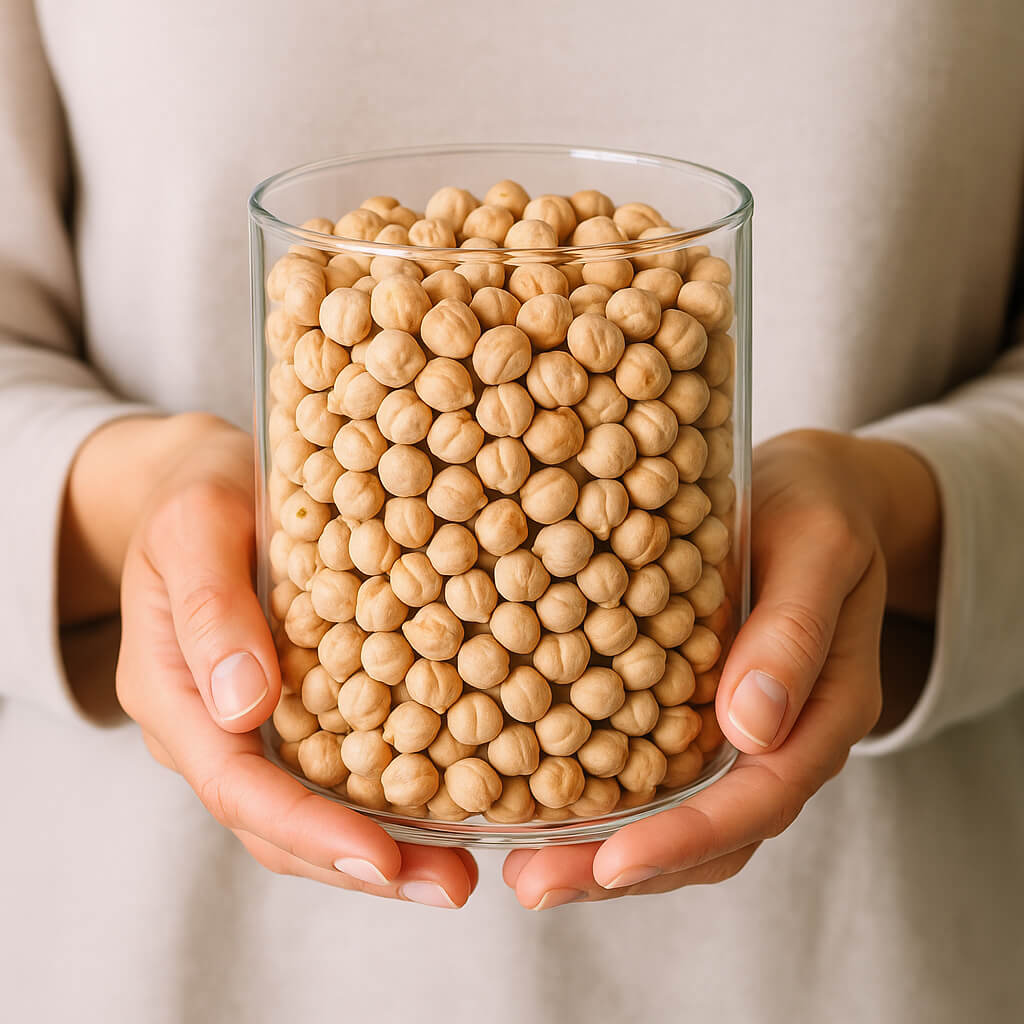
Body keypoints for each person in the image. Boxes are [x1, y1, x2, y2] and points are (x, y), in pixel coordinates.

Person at [1, 1, 1021, 1021]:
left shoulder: (621, 348)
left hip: (858, 942)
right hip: (170, 943)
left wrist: (898, 509)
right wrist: (146, 498)